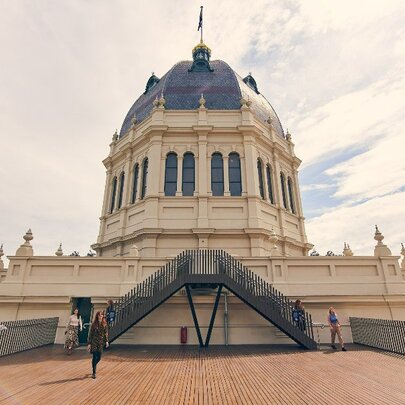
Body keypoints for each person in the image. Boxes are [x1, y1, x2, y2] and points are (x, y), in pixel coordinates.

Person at [87, 311, 109, 379]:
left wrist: (107, 341)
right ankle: (94, 372)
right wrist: (89, 344)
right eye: (99, 315)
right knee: (94, 356)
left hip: (100, 342)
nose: (100, 316)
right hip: (94, 342)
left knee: (99, 357)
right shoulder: (94, 324)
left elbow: (105, 334)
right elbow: (91, 334)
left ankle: (94, 365)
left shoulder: (104, 324)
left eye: (101, 315)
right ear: (97, 316)